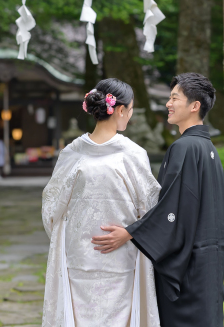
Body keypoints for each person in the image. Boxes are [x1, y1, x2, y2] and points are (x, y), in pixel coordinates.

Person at [91, 73, 224, 327]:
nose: (168, 103)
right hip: (207, 260)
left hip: (189, 265)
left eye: (175, 98)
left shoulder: (184, 148)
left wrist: (130, 233)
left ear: (194, 106)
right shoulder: (206, 147)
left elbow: (170, 207)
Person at [42, 78, 161, 327]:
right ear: (119, 110)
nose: (129, 117)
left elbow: (52, 209)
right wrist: (130, 233)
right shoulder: (133, 155)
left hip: (78, 255)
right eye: (129, 111)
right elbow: (151, 209)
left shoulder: (72, 153)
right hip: (121, 253)